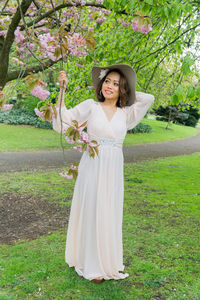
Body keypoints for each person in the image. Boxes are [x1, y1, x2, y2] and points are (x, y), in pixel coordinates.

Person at [53, 64, 155, 283]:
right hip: (92, 164)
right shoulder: (91, 106)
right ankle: (91, 266)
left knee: (109, 210)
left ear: (123, 89)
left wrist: (128, 87)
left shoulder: (126, 114)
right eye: (107, 81)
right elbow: (63, 122)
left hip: (113, 168)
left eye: (116, 83)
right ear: (101, 85)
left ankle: (106, 262)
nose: (110, 86)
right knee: (92, 208)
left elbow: (149, 98)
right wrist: (62, 90)